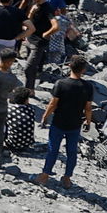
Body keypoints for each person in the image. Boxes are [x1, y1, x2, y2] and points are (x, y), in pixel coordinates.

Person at [36, 57, 94, 188]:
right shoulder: (88, 86)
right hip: (75, 124)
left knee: (53, 149)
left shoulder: (61, 83)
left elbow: (53, 104)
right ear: (83, 70)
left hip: (58, 122)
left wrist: (45, 117)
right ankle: (67, 178)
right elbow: (88, 107)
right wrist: (88, 121)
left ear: (69, 66)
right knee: (72, 152)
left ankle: (44, 176)